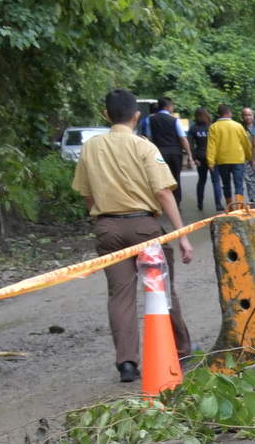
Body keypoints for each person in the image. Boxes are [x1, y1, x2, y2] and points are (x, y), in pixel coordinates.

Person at [73, 87, 193, 387]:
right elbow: (163, 192)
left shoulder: (90, 148)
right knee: (161, 288)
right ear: (136, 116)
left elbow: (87, 195)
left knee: (120, 294)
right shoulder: (144, 147)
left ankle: (127, 362)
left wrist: (102, 221)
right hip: (144, 228)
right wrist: (181, 235)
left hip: (107, 228)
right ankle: (180, 350)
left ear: (106, 114)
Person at [142, 99, 187, 211]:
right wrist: (190, 154)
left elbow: (149, 138)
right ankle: (176, 204)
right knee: (176, 179)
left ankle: (161, 204)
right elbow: (182, 138)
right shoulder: (175, 120)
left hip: (159, 153)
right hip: (175, 153)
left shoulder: (150, 120)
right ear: (168, 106)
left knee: (160, 179)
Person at [207, 105, 250, 210]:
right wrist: (250, 157)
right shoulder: (238, 126)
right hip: (238, 159)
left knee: (226, 184)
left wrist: (210, 161)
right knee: (238, 184)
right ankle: (239, 207)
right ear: (229, 113)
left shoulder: (214, 127)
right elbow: (246, 143)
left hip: (222, 160)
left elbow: (211, 146)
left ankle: (230, 207)